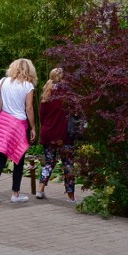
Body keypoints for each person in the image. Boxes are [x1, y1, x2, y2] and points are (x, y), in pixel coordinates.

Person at [0, 58, 37, 203]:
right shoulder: (28, 86)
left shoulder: (4, 81)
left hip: (2, 123)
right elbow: (29, 108)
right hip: (18, 125)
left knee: (0, 160)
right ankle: (15, 194)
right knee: (18, 159)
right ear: (29, 70)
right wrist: (33, 127)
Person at [37, 67, 76, 202]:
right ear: (64, 77)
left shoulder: (46, 94)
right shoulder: (68, 94)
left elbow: (41, 117)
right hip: (64, 135)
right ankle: (71, 197)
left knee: (48, 163)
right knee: (68, 165)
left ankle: (40, 189)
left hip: (48, 134)